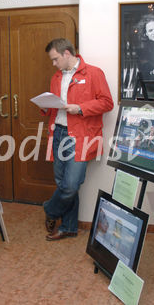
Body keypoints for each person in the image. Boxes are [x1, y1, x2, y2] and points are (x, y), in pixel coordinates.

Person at [41, 38, 113, 241]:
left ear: (66, 54)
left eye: (55, 59)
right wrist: (46, 106)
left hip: (81, 136)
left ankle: (50, 209)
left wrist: (80, 108)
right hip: (59, 134)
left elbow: (107, 103)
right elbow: (55, 104)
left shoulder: (93, 73)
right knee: (62, 182)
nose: (53, 64)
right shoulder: (56, 77)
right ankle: (69, 227)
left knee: (71, 184)